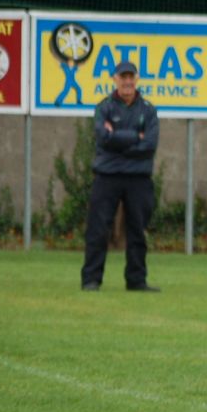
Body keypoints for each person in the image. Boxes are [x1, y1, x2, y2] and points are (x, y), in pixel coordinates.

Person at [81, 60, 160, 291]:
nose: (127, 82)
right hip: (107, 176)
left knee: (138, 231)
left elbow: (150, 144)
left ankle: (136, 280)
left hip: (139, 178)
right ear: (114, 79)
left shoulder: (148, 109)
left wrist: (119, 140)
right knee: (98, 229)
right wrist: (136, 137)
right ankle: (91, 279)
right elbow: (104, 139)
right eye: (122, 77)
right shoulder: (104, 107)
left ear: (136, 80)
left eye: (130, 77)